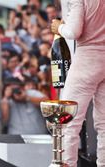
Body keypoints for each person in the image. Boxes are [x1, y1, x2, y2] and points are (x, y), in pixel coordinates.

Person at [51, 1, 105, 166]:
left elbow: (74, 31)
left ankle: (66, 164)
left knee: (66, 121)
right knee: (104, 123)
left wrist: (58, 27)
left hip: (87, 59)